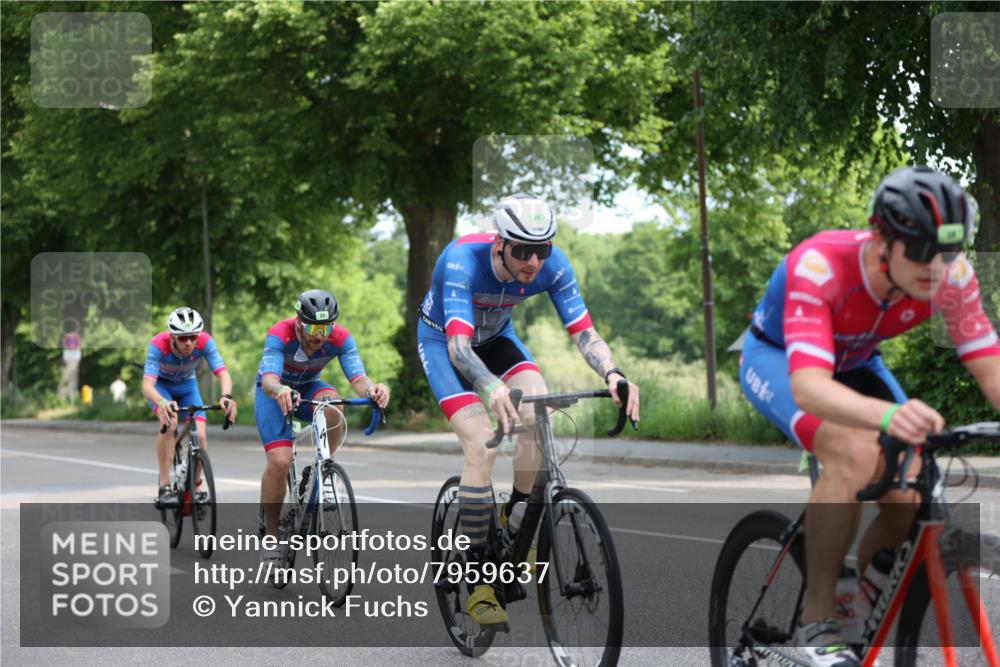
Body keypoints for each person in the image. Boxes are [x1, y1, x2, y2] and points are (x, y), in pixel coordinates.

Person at [740, 166, 1000, 666]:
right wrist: (888, 416)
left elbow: (989, 368)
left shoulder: (952, 275)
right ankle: (816, 622)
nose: (938, 267)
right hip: (780, 359)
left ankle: (854, 607)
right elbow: (810, 387)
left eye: (950, 250)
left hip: (858, 363)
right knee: (855, 452)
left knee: (909, 491)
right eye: (923, 251)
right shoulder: (820, 265)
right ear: (881, 238)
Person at [417, 193, 641, 627]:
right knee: (482, 446)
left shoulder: (553, 267)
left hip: (498, 341)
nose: (533, 262)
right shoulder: (462, 260)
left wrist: (613, 374)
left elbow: (585, 333)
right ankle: (480, 580)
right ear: (499, 243)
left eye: (543, 250)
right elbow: (460, 349)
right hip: (445, 345)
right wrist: (490, 386)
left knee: (537, 407)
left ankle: (516, 513)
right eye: (522, 250)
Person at [254, 289, 390, 564]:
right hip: (274, 393)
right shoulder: (280, 333)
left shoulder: (340, 337)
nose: (320, 335)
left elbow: (359, 380)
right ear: (298, 322)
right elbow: (269, 379)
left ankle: (324, 470)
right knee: (280, 462)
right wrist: (280, 388)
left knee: (333, 406)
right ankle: (271, 537)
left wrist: (373, 389)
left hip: (308, 388)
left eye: (327, 327)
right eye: (314, 326)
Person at [141, 307, 237, 504]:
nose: (189, 342)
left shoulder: (205, 342)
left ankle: (195, 485)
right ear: (173, 336)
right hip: (162, 388)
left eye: (193, 337)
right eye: (183, 338)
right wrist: (162, 402)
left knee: (201, 436)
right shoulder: (158, 345)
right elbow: (147, 386)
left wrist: (226, 396)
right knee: (171, 423)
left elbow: (222, 374)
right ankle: (164, 485)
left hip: (187, 386)